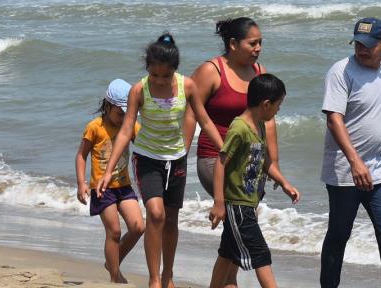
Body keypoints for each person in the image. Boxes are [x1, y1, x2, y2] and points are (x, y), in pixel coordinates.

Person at [97, 33, 224, 288]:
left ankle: (168, 274)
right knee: (155, 214)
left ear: (174, 71)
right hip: (147, 158)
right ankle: (154, 279)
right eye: (154, 75)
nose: (159, 80)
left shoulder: (187, 87)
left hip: (176, 159)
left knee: (171, 219)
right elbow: (126, 130)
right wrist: (109, 169)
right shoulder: (138, 90)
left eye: (165, 76)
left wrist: (224, 148)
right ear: (148, 70)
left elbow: (205, 120)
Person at [319, 18, 381, 288]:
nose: (362, 49)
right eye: (358, 43)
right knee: (338, 236)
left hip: (380, 169)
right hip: (346, 171)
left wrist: (368, 161)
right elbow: (334, 118)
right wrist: (355, 161)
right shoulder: (341, 71)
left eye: (368, 45)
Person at [208, 73, 300, 288]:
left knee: (227, 254)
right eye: (278, 105)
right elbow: (221, 163)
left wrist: (284, 183)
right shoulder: (240, 128)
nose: (279, 110)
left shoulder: (259, 126)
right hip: (237, 206)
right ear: (266, 104)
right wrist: (219, 203)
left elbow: (265, 161)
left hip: (247, 204)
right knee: (260, 254)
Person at [185, 17, 279, 200]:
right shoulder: (211, 71)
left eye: (260, 42)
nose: (258, 48)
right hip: (215, 157)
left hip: (250, 158)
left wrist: (273, 163)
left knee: (243, 217)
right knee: (237, 211)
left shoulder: (260, 72)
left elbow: (268, 120)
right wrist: (180, 160)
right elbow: (190, 115)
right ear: (233, 44)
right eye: (252, 43)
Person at [75, 79, 145, 284]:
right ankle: (115, 276)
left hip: (124, 187)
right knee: (114, 231)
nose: (123, 118)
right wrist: (82, 183)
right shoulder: (94, 127)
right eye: (119, 113)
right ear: (107, 106)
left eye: (127, 113)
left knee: (138, 227)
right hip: (101, 189)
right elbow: (81, 156)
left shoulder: (131, 126)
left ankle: (112, 261)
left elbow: (143, 147)